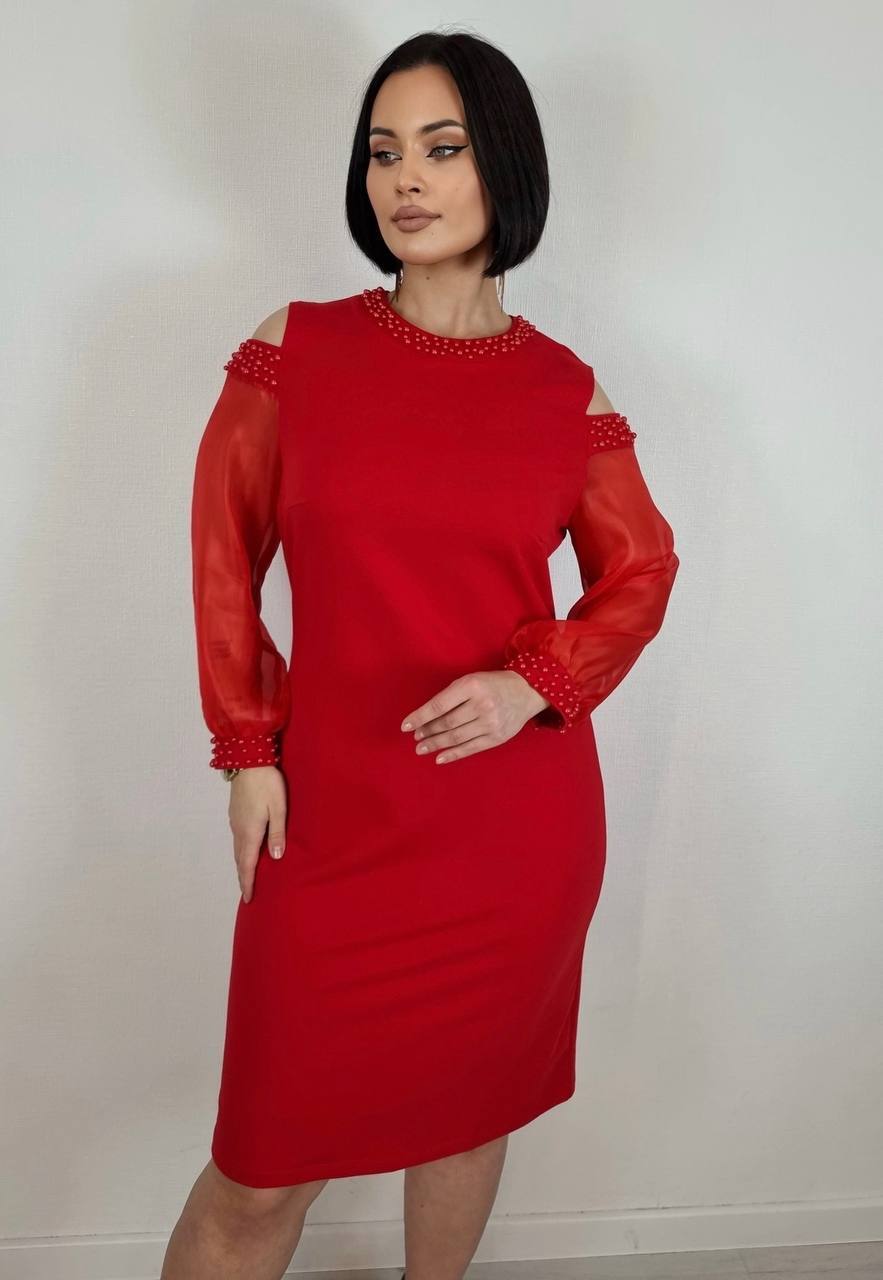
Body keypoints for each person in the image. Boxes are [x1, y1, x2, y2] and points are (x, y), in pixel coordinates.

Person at [161, 28, 680, 1280]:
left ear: (504, 164)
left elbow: (642, 568)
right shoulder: (297, 348)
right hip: (330, 816)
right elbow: (224, 552)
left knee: (464, 1116)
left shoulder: (564, 390)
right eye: (383, 150)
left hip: (509, 833)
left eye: (441, 148)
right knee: (258, 1170)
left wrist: (532, 683)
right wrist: (247, 747)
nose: (405, 177)